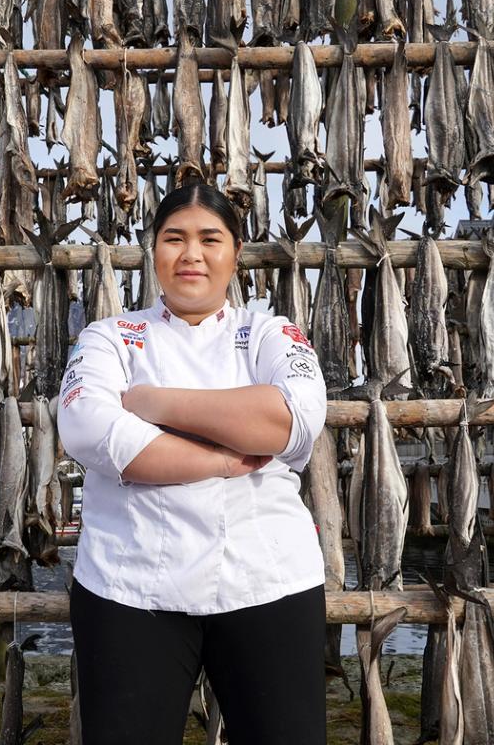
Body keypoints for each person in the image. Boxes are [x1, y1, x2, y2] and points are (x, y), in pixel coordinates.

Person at [57, 184, 328, 745]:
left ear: (237, 253)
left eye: (211, 239)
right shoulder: (107, 337)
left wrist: (158, 403)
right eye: (173, 238)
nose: (191, 255)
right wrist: (226, 460)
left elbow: (290, 420)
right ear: (152, 249)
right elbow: (90, 428)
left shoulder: (272, 333)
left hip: (268, 580)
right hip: (129, 587)